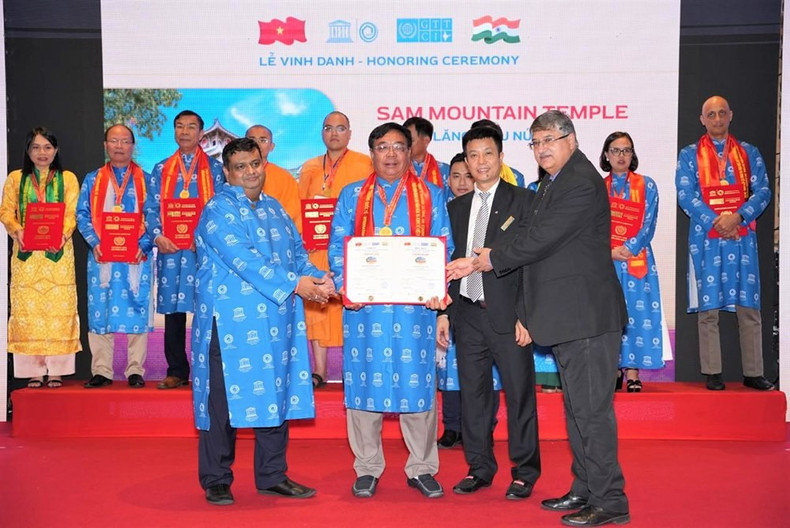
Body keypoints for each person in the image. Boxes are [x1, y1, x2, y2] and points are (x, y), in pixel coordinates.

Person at [448, 110, 629, 527]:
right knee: (578, 410)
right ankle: (585, 488)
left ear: (572, 140)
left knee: (591, 412)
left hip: (586, 316)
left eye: (550, 140)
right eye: (536, 142)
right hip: (568, 316)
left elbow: (540, 240)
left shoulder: (579, 181)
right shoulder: (554, 181)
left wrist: (487, 259)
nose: (542, 149)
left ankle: (610, 501)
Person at [192, 137, 334, 505]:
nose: (250, 172)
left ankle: (272, 475)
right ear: (227, 173)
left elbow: (298, 255)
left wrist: (321, 279)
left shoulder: (274, 208)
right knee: (221, 403)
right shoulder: (217, 211)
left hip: (275, 322)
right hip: (230, 325)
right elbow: (246, 260)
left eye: (255, 164)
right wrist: (298, 284)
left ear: (264, 164)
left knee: (275, 396)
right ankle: (217, 478)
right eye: (240, 167)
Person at [328, 122, 452, 499]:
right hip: (365, 310)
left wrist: (438, 290)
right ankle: (367, 467)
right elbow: (337, 245)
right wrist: (346, 285)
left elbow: (443, 245)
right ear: (372, 153)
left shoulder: (431, 194)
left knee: (418, 387)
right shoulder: (352, 195)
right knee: (365, 384)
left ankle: (422, 467)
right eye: (383, 147)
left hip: (416, 311)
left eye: (399, 146)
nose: (392, 154)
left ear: (409, 151)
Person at [439, 126, 540, 500]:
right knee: (474, 397)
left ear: (501, 157)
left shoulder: (524, 201)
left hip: (509, 317)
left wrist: (527, 315)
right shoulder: (455, 208)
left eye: (487, 153)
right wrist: (444, 313)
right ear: (466, 161)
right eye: (473, 155)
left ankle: (525, 471)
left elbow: (534, 263)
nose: (480, 162)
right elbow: (450, 261)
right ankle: (479, 467)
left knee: (519, 395)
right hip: (466, 314)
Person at [676, 96, 774, 391]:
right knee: (708, 310)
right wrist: (717, 221)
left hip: (742, 237)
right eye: (711, 114)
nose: (717, 119)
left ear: (730, 115)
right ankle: (713, 372)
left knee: (748, 307)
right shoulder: (689, 155)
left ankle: (753, 372)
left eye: (721, 113)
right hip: (706, 238)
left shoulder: (748, 152)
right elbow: (685, 195)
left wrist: (738, 217)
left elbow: (763, 190)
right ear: (702, 120)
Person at [146, 110, 225, 390]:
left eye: (191, 127)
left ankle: (210, 370)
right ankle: (177, 370)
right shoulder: (161, 169)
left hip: (203, 251)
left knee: (208, 310)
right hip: (170, 251)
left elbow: (219, 209)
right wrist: (157, 236)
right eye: (180, 126)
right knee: (173, 313)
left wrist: (202, 237)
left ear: (201, 134)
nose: (185, 132)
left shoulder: (215, 170)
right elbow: (151, 208)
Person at [0, 127, 81, 388]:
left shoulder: (68, 179)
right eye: (35, 147)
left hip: (58, 253)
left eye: (47, 147)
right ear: (28, 151)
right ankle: (33, 371)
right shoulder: (15, 178)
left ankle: (57, 370)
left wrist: (64, 234)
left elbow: (72, 212)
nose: (42, 152)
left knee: (59, 310)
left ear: (56, 150)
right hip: (27, 255)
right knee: (29, 311)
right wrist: (17, 230)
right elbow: (5, 211)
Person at [298, 111, 373, 388]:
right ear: (322, 133)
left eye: (340, 128)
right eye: (328, 128)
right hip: (317, 248)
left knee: (351, 306)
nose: (334, 133)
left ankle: (352, 369)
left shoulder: (365, 164)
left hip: (350, 249)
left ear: (350, 134)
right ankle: (319, 369)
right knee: (318, 306)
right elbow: (301, 206)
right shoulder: (309, 167)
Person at [77, 124, 154, 388]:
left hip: (136, 255)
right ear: (105, 145)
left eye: (124, 141)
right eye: (114, 141)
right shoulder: (92, 179)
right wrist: (94, 243)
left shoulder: (147, 180)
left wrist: (144, 245)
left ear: (133, 146)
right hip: (102, 255)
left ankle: (135, 370)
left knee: (138, 305)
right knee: (100, 309)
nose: (119, 146)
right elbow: (82, 215)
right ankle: (101, 370)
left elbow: (155, 216)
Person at [600, 132, 665, 392]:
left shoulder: (647, 185)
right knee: (609, 315)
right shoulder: (597, 187)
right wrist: (609, 250)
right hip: (607, 260)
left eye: (626, 150)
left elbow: (649, 223)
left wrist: (628, 247)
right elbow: (591, 225)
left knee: (637, 314)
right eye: (615, 150)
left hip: (637, 259)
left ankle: (634, 372)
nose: (621, 156)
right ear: (606, 155)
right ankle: (614, 369)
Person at [245, 124, 302, 229]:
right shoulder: (234, 174)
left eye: (263, 140)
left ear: (271, 147)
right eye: (251, 140)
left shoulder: (284, 177)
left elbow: (293, 214)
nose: (256, 144)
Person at [403, 117, 450, 198]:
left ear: (426, 141)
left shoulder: (446, 170)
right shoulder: (396, 169)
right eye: (404, 141)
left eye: (411, 141)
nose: (406, 145)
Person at [470, 119, 525, 187]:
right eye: (474, 155)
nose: (481, 161)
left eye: (488, 153)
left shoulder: (516, 178)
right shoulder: (460, 175)